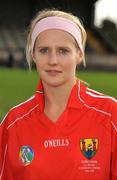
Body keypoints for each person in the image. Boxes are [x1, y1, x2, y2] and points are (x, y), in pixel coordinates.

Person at [0, 9, 117, 180]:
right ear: (33, 54)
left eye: (63, 51)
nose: (53, 60)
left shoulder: (110, 114)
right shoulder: (13, 123)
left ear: (79, 54)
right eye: (44, 50)